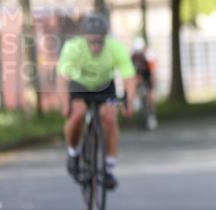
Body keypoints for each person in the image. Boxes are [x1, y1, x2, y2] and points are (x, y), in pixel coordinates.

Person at [57, 14, 136, 189]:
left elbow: (129, 78)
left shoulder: (115, 47)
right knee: (77, 114)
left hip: (105, 87)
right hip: (79, 86)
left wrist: (129, 103)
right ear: (84, 39)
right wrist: (65, 104)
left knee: (110, 117)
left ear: (105, 38)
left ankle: (109, 169)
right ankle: (73, 153)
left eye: (99, 42)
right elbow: (62, 78)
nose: (95, 46)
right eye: (91, 42)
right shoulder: (73, 47)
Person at [131, 38, 158, 130]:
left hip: (147, 77)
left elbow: (152, 71)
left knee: (150, 97)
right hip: (138, 77)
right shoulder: (133, 56)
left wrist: (152, 84)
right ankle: (135, 101)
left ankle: (152, 116)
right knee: (134, 83)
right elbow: (130, 72)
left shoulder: (148, 56)